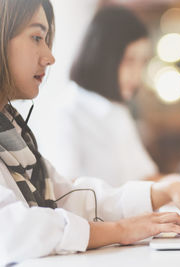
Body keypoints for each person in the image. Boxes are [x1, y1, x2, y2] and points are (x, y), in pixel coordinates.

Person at [0, 0, 180, 264]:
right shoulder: (65, 114)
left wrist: (167, 190)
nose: (50, 57)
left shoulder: (13, 132)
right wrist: (122, 230)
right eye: (37, 37)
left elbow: (67, 196)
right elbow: (11, 231)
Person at [39, 6, 161, 186]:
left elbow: (146, 177)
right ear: (103, 57)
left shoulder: (117, 110)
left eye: (142, 63)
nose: (137, 75)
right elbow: (65, 193)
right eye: (129, 61)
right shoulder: (67, 113)